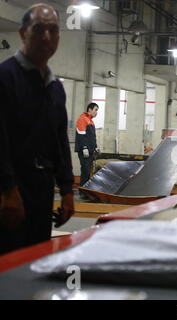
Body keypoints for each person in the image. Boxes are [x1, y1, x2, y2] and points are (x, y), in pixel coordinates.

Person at [0, 4, 74, 255]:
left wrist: (66, 190)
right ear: (23, 33)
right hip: (9, 194)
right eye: (39, 29)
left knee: (36, 258)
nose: (46, 37)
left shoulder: (54, 88)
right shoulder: (5, 78)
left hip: (41, 192)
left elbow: (59, 141)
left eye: (53, 30)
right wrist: (8, 190)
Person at [75, 103, 99, 188]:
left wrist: (95, 146)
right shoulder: (83, 119)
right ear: (89, 109)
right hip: (85, 151)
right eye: (95, 110)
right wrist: (84, 148)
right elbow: (81, 135)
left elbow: (92, 137)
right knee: (85, 170)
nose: (96, 112)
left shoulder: (91, 121)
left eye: (97, 110)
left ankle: (85, 189)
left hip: (90, 151)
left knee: (88, 171)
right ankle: (82, 190)